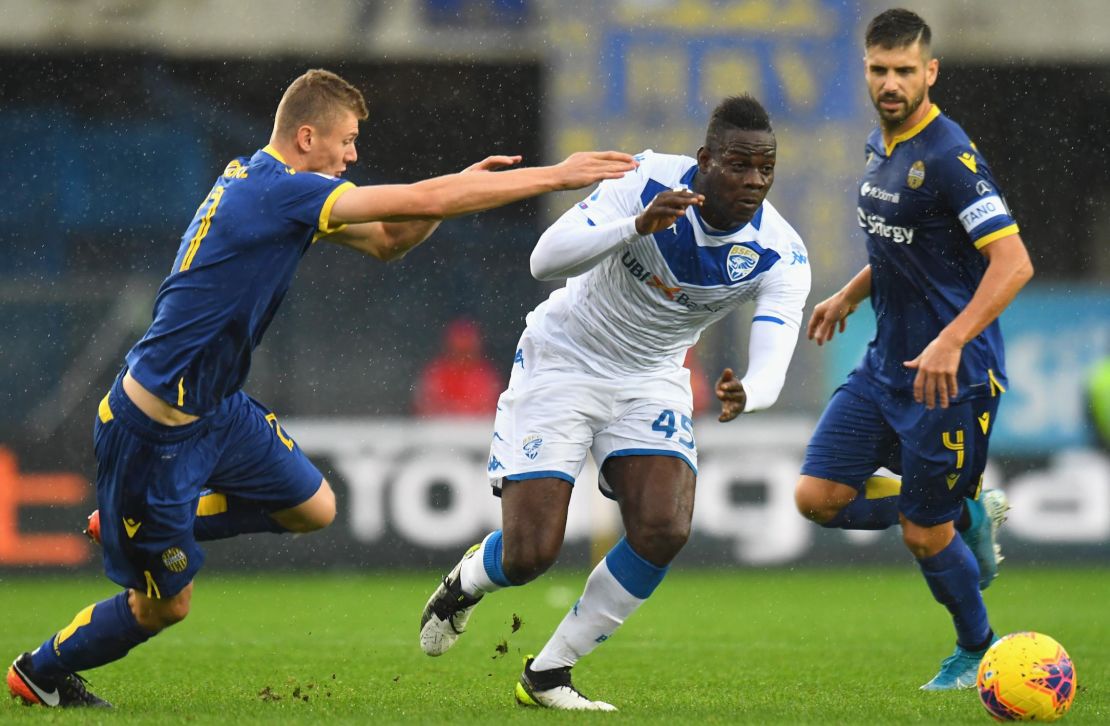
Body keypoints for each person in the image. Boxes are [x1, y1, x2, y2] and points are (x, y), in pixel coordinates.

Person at [5, 68, 636, 709]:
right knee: (163, 608)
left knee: (313, 508)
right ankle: (41, 671)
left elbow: (391, 239)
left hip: (216, 409)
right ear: (307, 137)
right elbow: (417, 200)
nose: (353, 155)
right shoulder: (279, 193)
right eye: (348, 140)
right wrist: (558, 176)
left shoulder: (270, 186)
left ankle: (144, 523)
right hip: (154, 430)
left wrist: (457, 195)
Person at [419, 95, 811, 711]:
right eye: (739, 165)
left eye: (766, 169)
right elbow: (543, 260)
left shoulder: (781, 253)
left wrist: (751, 393)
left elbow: (773, 358)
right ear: (705, 160)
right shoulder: (644, 178)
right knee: (530, 555)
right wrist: (635, 227)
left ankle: (549, 673)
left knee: (664, 529)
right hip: (565, 360)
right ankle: (466, 582)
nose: (754, 181)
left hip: (651, 378)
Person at [793, 9, 1034, 691]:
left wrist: (950, 341)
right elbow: (909, 246)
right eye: (879, 69)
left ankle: (977, 650)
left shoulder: (949, 157)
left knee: (923, 538)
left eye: (905, 70)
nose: (890, 82)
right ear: (866, 69)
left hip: (950, 378)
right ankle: (962, 509)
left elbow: (1013, 263)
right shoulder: (882, 145)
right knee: (816, 497)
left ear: (930, 72)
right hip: (884, 365)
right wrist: (849, 293)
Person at [413, 317, 503, 416]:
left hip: (477, 429)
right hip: (440, 428)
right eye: (460, 351)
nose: (463, 357)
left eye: (467, 351)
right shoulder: (436, 374)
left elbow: (493, 410)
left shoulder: (486, 376)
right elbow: (424, 406)